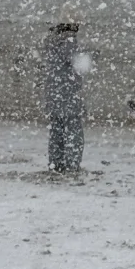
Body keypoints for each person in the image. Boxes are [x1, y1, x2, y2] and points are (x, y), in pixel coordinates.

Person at [44, 10, 88, 173]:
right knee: (73, 133)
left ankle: (55, 164)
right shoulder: (70, 41)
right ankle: (71, 166)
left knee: (56, 132)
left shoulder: (52, 40)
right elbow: (79, 64)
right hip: (68, 95)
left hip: (54, 93)